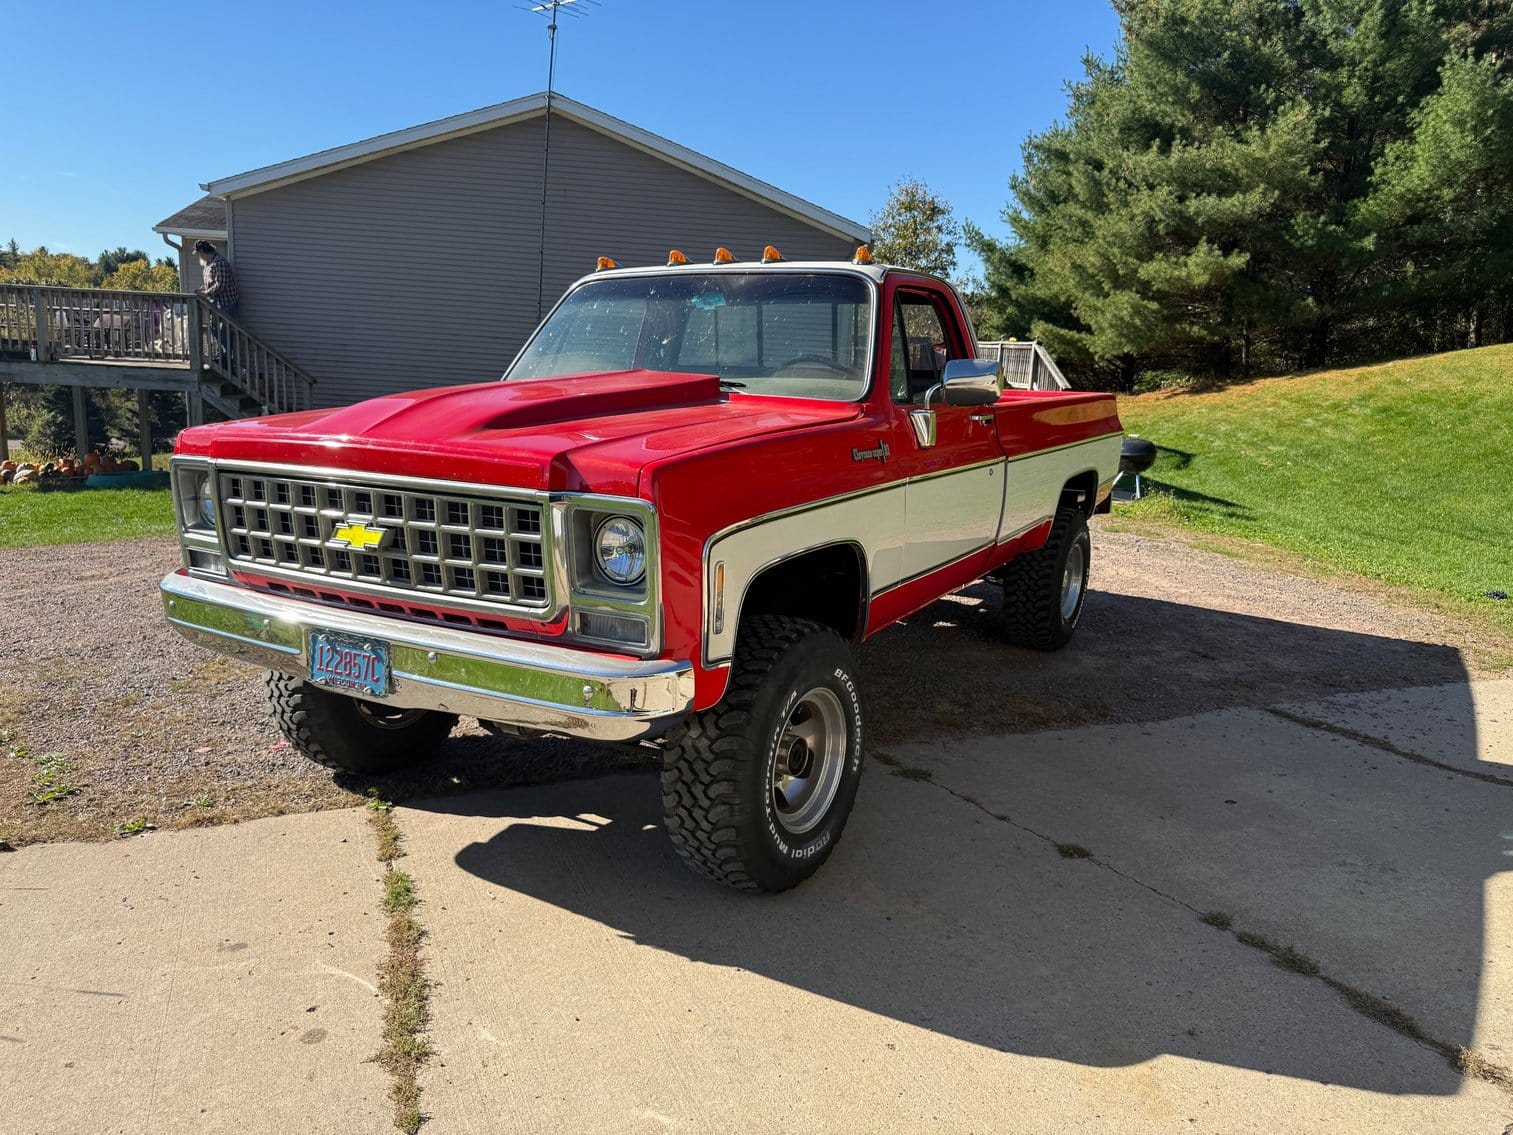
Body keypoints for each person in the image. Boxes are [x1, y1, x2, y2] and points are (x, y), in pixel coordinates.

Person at [193, 240, 240, 371]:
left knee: (225, 332)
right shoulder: (208, 264)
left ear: (203, 251)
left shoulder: (219, 262)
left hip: (227, 303)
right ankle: (223, 357)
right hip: (216, 305)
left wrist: (206, 293)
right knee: (215, 329)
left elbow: (221, 284)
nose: (199, 257)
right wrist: (204, 289)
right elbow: (212, 283)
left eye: (199, 253)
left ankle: (226, 361)